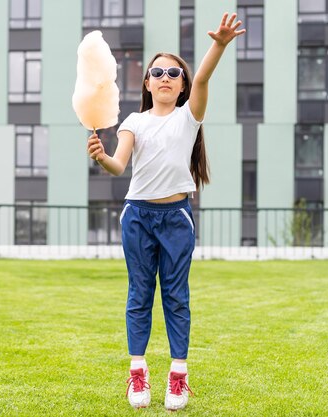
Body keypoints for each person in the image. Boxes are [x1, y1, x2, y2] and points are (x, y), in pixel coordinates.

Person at [87, 12, 245, 411]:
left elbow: (205, 79)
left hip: (176, 217)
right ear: (147, 82)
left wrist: (220, 45)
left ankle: (178, 376)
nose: (164, 77)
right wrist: (102, 157)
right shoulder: (134, 121)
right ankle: (137, 371)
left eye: (173, 73)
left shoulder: (188, 117)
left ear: (182, 85)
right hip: (138, 217)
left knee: (176, 296)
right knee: (139, 294)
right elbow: (119, 166)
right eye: (157, 72)